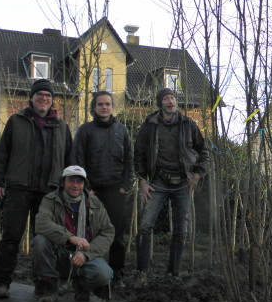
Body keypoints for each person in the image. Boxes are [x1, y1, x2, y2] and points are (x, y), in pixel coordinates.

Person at [0, 78, 72, 299]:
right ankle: (1, 282)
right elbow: (2, 153)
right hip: (19, 187)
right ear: (32, 98)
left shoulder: (61, 127)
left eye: (48, 96)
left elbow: (69, 160)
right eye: (40, 95)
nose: (44, 98)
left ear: (52, 100)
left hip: (49, 191)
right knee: (11, 236)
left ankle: (43, 283)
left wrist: (67, 189)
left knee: (43, 239)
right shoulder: (16, 121)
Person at [134, 87, 209, 278]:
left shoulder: (188, 124)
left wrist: (197, 175)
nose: (171, 101)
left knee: (181, 230)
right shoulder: (150, 124)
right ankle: (142, 273)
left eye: (173, 98)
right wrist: (142, 180)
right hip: (158, 181)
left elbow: (203, 151)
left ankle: (173, 274)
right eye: (166, 98)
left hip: (183, 182)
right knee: (145, 225)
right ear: (160, 103)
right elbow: (139, 153)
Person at [32, 165, 113, 302]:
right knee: (40, 241)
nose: (75, 185)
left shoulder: (95, 203)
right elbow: (41, 223)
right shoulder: (50, 199)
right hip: (58, 252)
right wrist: (69, 237)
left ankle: (81, 286)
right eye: (71, 181)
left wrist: (86, 254)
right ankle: (49, 289)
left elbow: (107, 232)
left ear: (84, 184)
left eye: (79, 182)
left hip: (84, 253)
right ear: (63, 182)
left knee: (103, 274)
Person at [72, 91, 133, 282]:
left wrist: (125, 186)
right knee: (88, 232)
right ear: (94, 107)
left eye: (107, 104)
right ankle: (88, 272)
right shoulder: (85, 130)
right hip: (92, 191)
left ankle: (117, 273)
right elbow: (78, 159)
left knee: (116, 234)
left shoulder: (122, 130)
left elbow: (129, 160)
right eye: (100, 104)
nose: (104, 107)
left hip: (116, 190)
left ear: (112, 107)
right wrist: (86, 188)